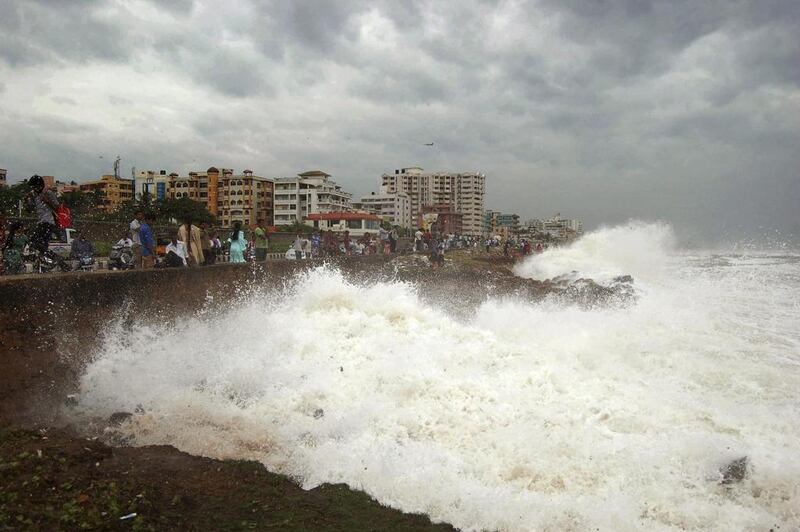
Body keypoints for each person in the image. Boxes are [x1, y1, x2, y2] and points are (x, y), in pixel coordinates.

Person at [26, 175, 59, 259]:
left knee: (34, 241)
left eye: (34, 186)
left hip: (48, 222)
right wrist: (28, 199)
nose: (33, 188)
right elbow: (30, 209)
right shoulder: (35, 196)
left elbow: (57, 207)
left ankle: (56, 259)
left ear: (39, 185)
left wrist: (47, 202)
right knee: (41, 245)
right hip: (41, 222)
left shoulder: (48, 193)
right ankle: (51, 262)